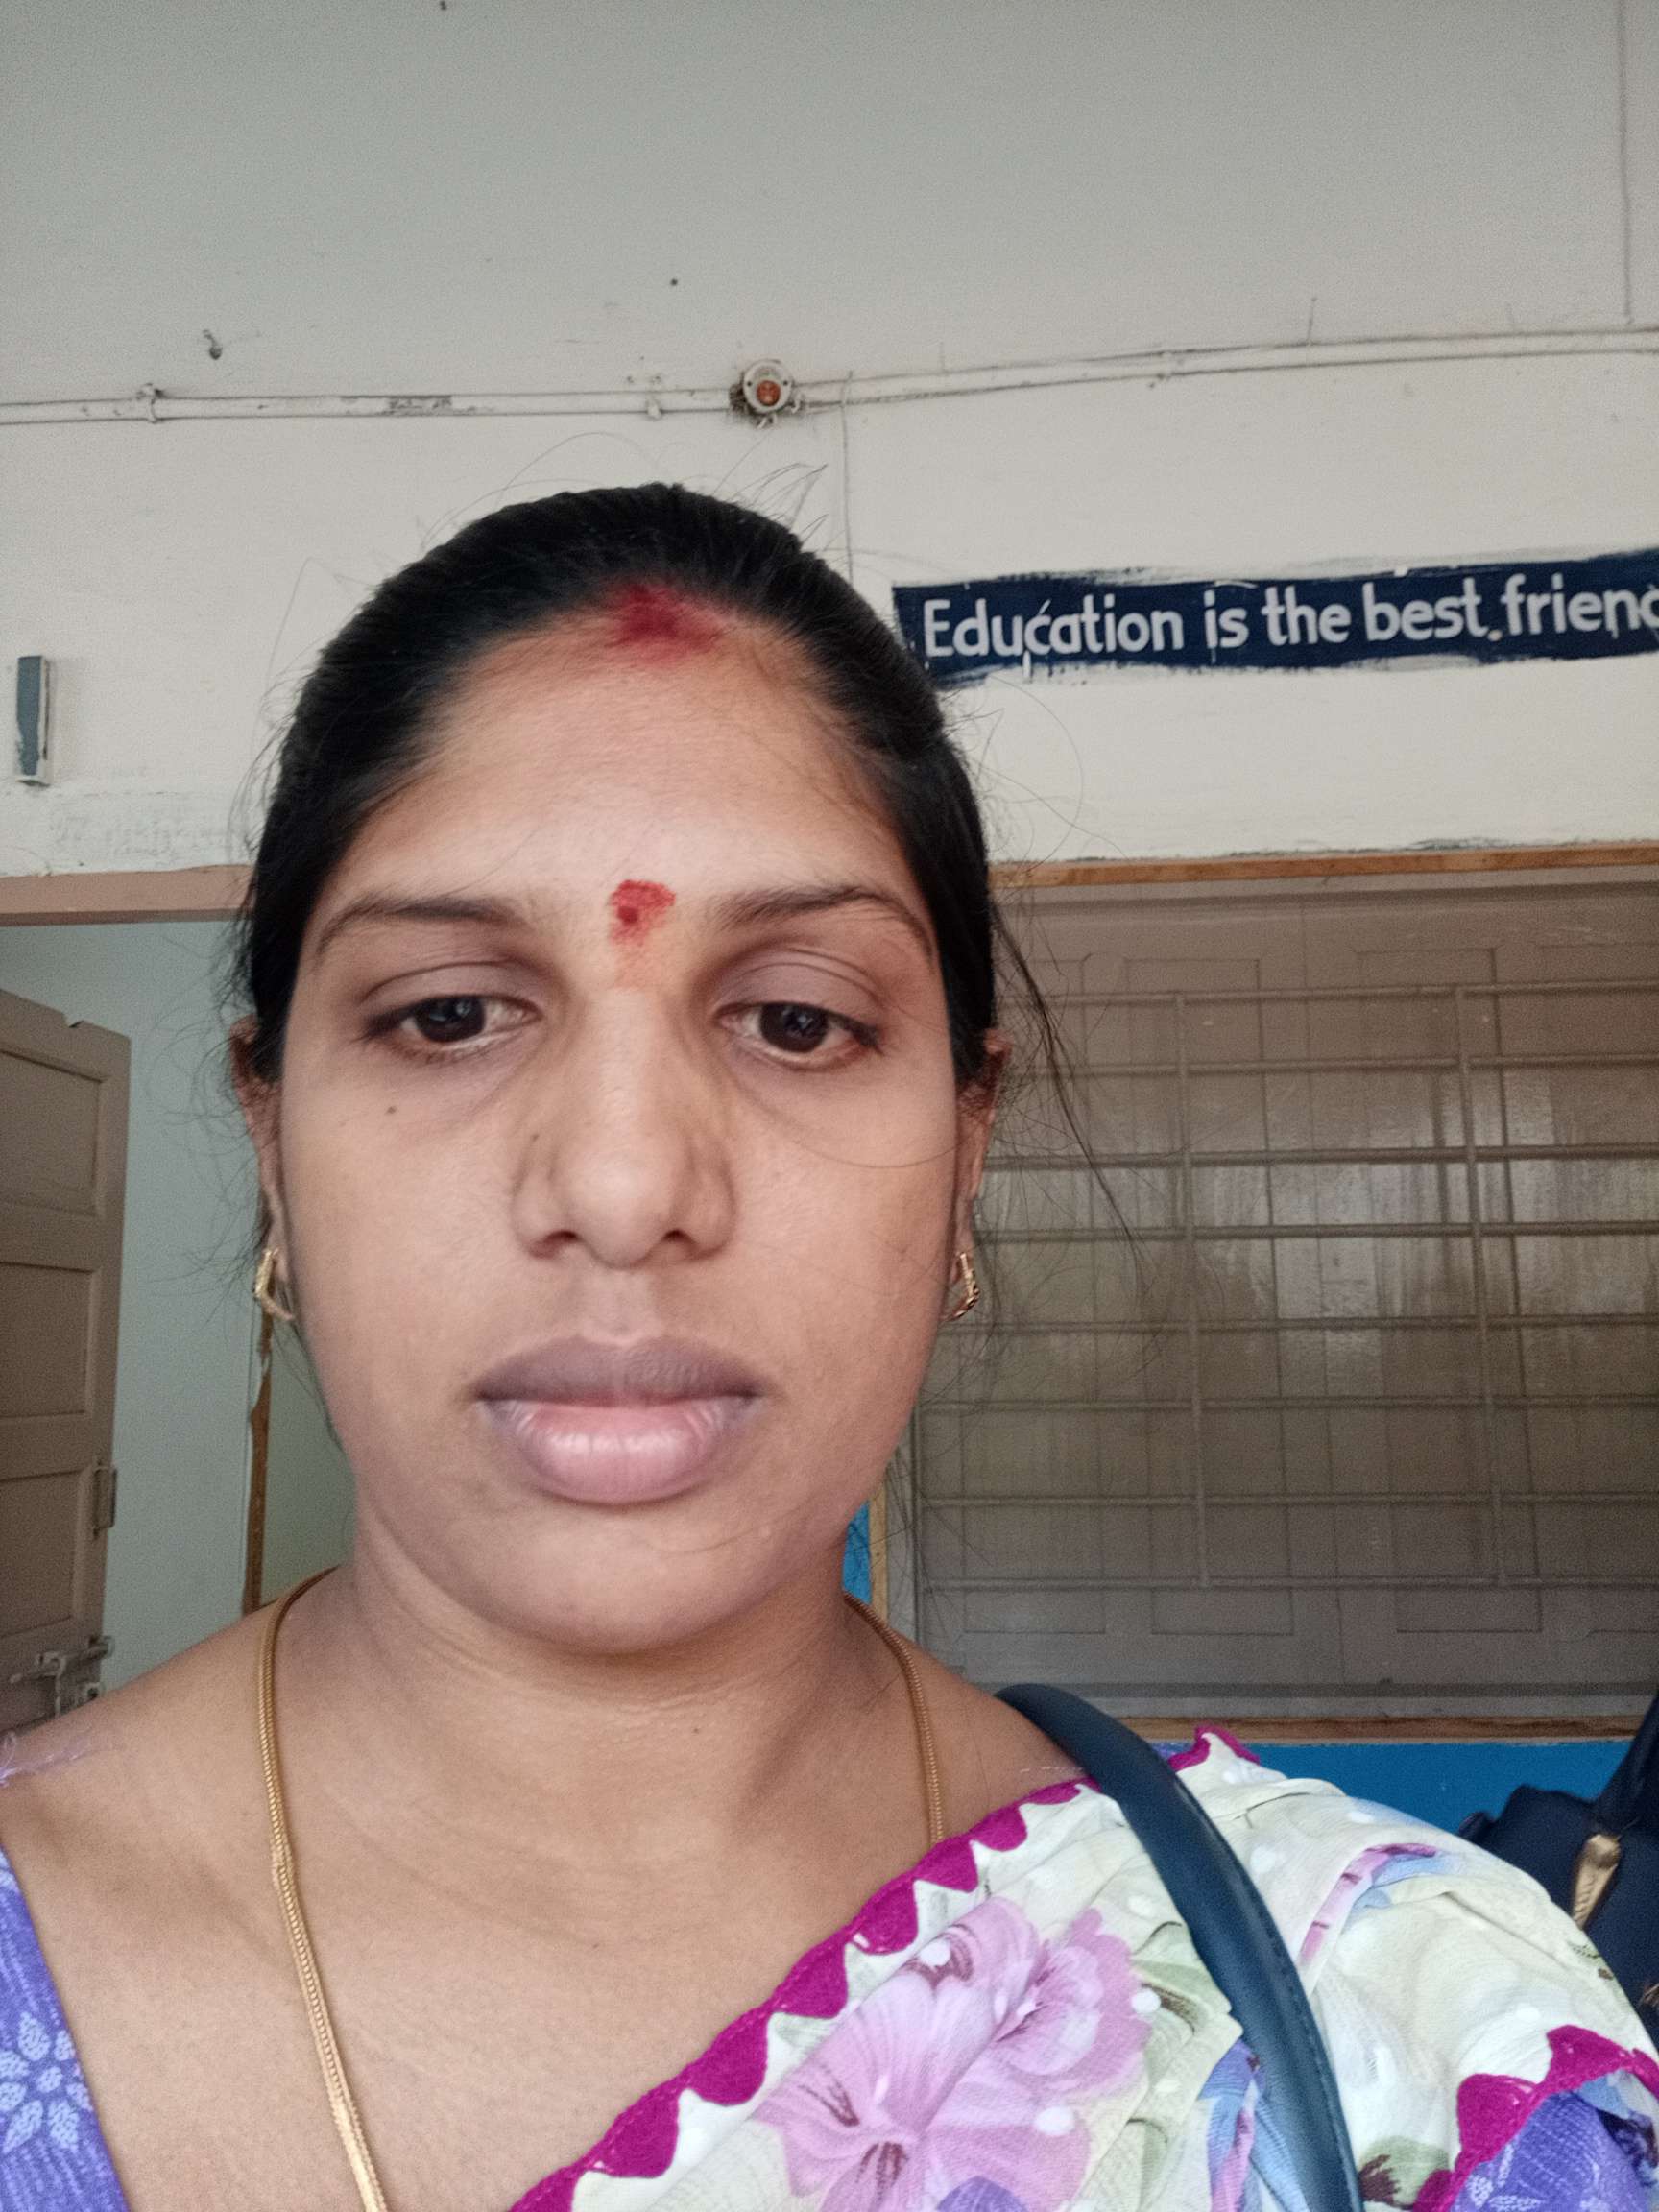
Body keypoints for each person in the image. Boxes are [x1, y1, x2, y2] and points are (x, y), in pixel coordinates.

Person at [0, 486, 1653, 2212]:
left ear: (966, 1147)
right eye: (450, 1014)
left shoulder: (1399, 2050)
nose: (624, 1190)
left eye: (797, 1020)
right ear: (272, 1138)